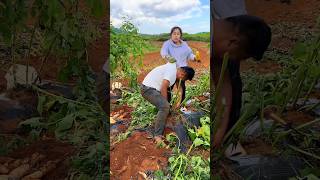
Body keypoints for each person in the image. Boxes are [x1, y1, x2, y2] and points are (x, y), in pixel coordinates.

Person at [212, 15, 272, 148]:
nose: (234, 61)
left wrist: (220, 130)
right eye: (239, 57)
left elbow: (223, 84)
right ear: (233, 42)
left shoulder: (217, 46)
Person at [140, 62, 195, 143]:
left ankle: (163, 117)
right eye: (184, 79)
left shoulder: (175, 70)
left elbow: (180, 89)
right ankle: (157, 135)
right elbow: (163, 87)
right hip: (148, 90)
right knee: (164, 107)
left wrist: (177, 105)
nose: (181, 81)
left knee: (166, 106)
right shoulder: (172, 73)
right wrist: (166, 104)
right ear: (183, 74)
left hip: (150, 88)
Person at [160, 26, 200, 108]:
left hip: (182, 71)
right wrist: (168, 57)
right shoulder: (167, 44)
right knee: (168, 89)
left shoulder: (184, 45)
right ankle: (168, 106)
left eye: (178, 34)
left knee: (182, 89)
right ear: (171, 35)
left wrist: (195, 58)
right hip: (172, 71)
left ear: (180, 35)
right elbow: (163, 53)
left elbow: (189, 55)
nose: (176, 35)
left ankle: (180, 105)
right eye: (174, 33)